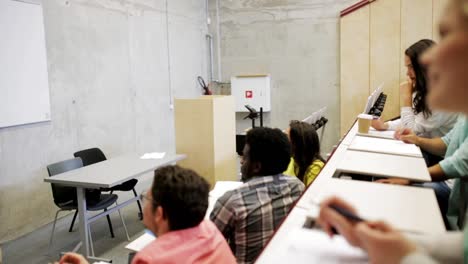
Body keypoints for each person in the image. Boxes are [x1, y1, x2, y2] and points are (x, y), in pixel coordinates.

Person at [318, 0, 468, 262]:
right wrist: (384, 241)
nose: (430, 59)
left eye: (447, 36)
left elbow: (451, 155)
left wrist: (403, 255)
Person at [59, 165, 236, 264]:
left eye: (146, 198)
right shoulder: (210, 231)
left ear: (160, 213)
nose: (143, 204)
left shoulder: (150, 259)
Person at [210, 127, 305, 264]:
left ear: (256, 167)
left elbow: (207, 249)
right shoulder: (298, 187)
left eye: (244, 156)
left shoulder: (232, 202)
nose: (241, 161)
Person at [372, 39, 458, 166]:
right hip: (428, 151)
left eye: (411, 67)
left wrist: (406, 98)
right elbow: (415, 121)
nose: (407, 73)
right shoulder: (428, 89)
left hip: (442, 159)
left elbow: (412, 130)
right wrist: (386, 125)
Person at [284, 120, 325, 186]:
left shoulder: (316, 168)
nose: (283, 140)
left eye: (286, 137)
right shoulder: (292, 160)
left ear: (297, 144)